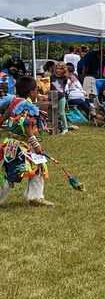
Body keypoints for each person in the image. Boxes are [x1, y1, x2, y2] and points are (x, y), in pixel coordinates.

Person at [0, 78, 52, 206]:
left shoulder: (15, 100)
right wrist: (36, 144)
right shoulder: (27, 105)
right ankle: (35, 197)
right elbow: (27, 124)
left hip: (12, 143)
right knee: (14, 173)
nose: (37, 94)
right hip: (21, 145)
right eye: (36, 91)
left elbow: (6, 115)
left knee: (37, 166)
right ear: (31, 92)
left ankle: (35, 197)